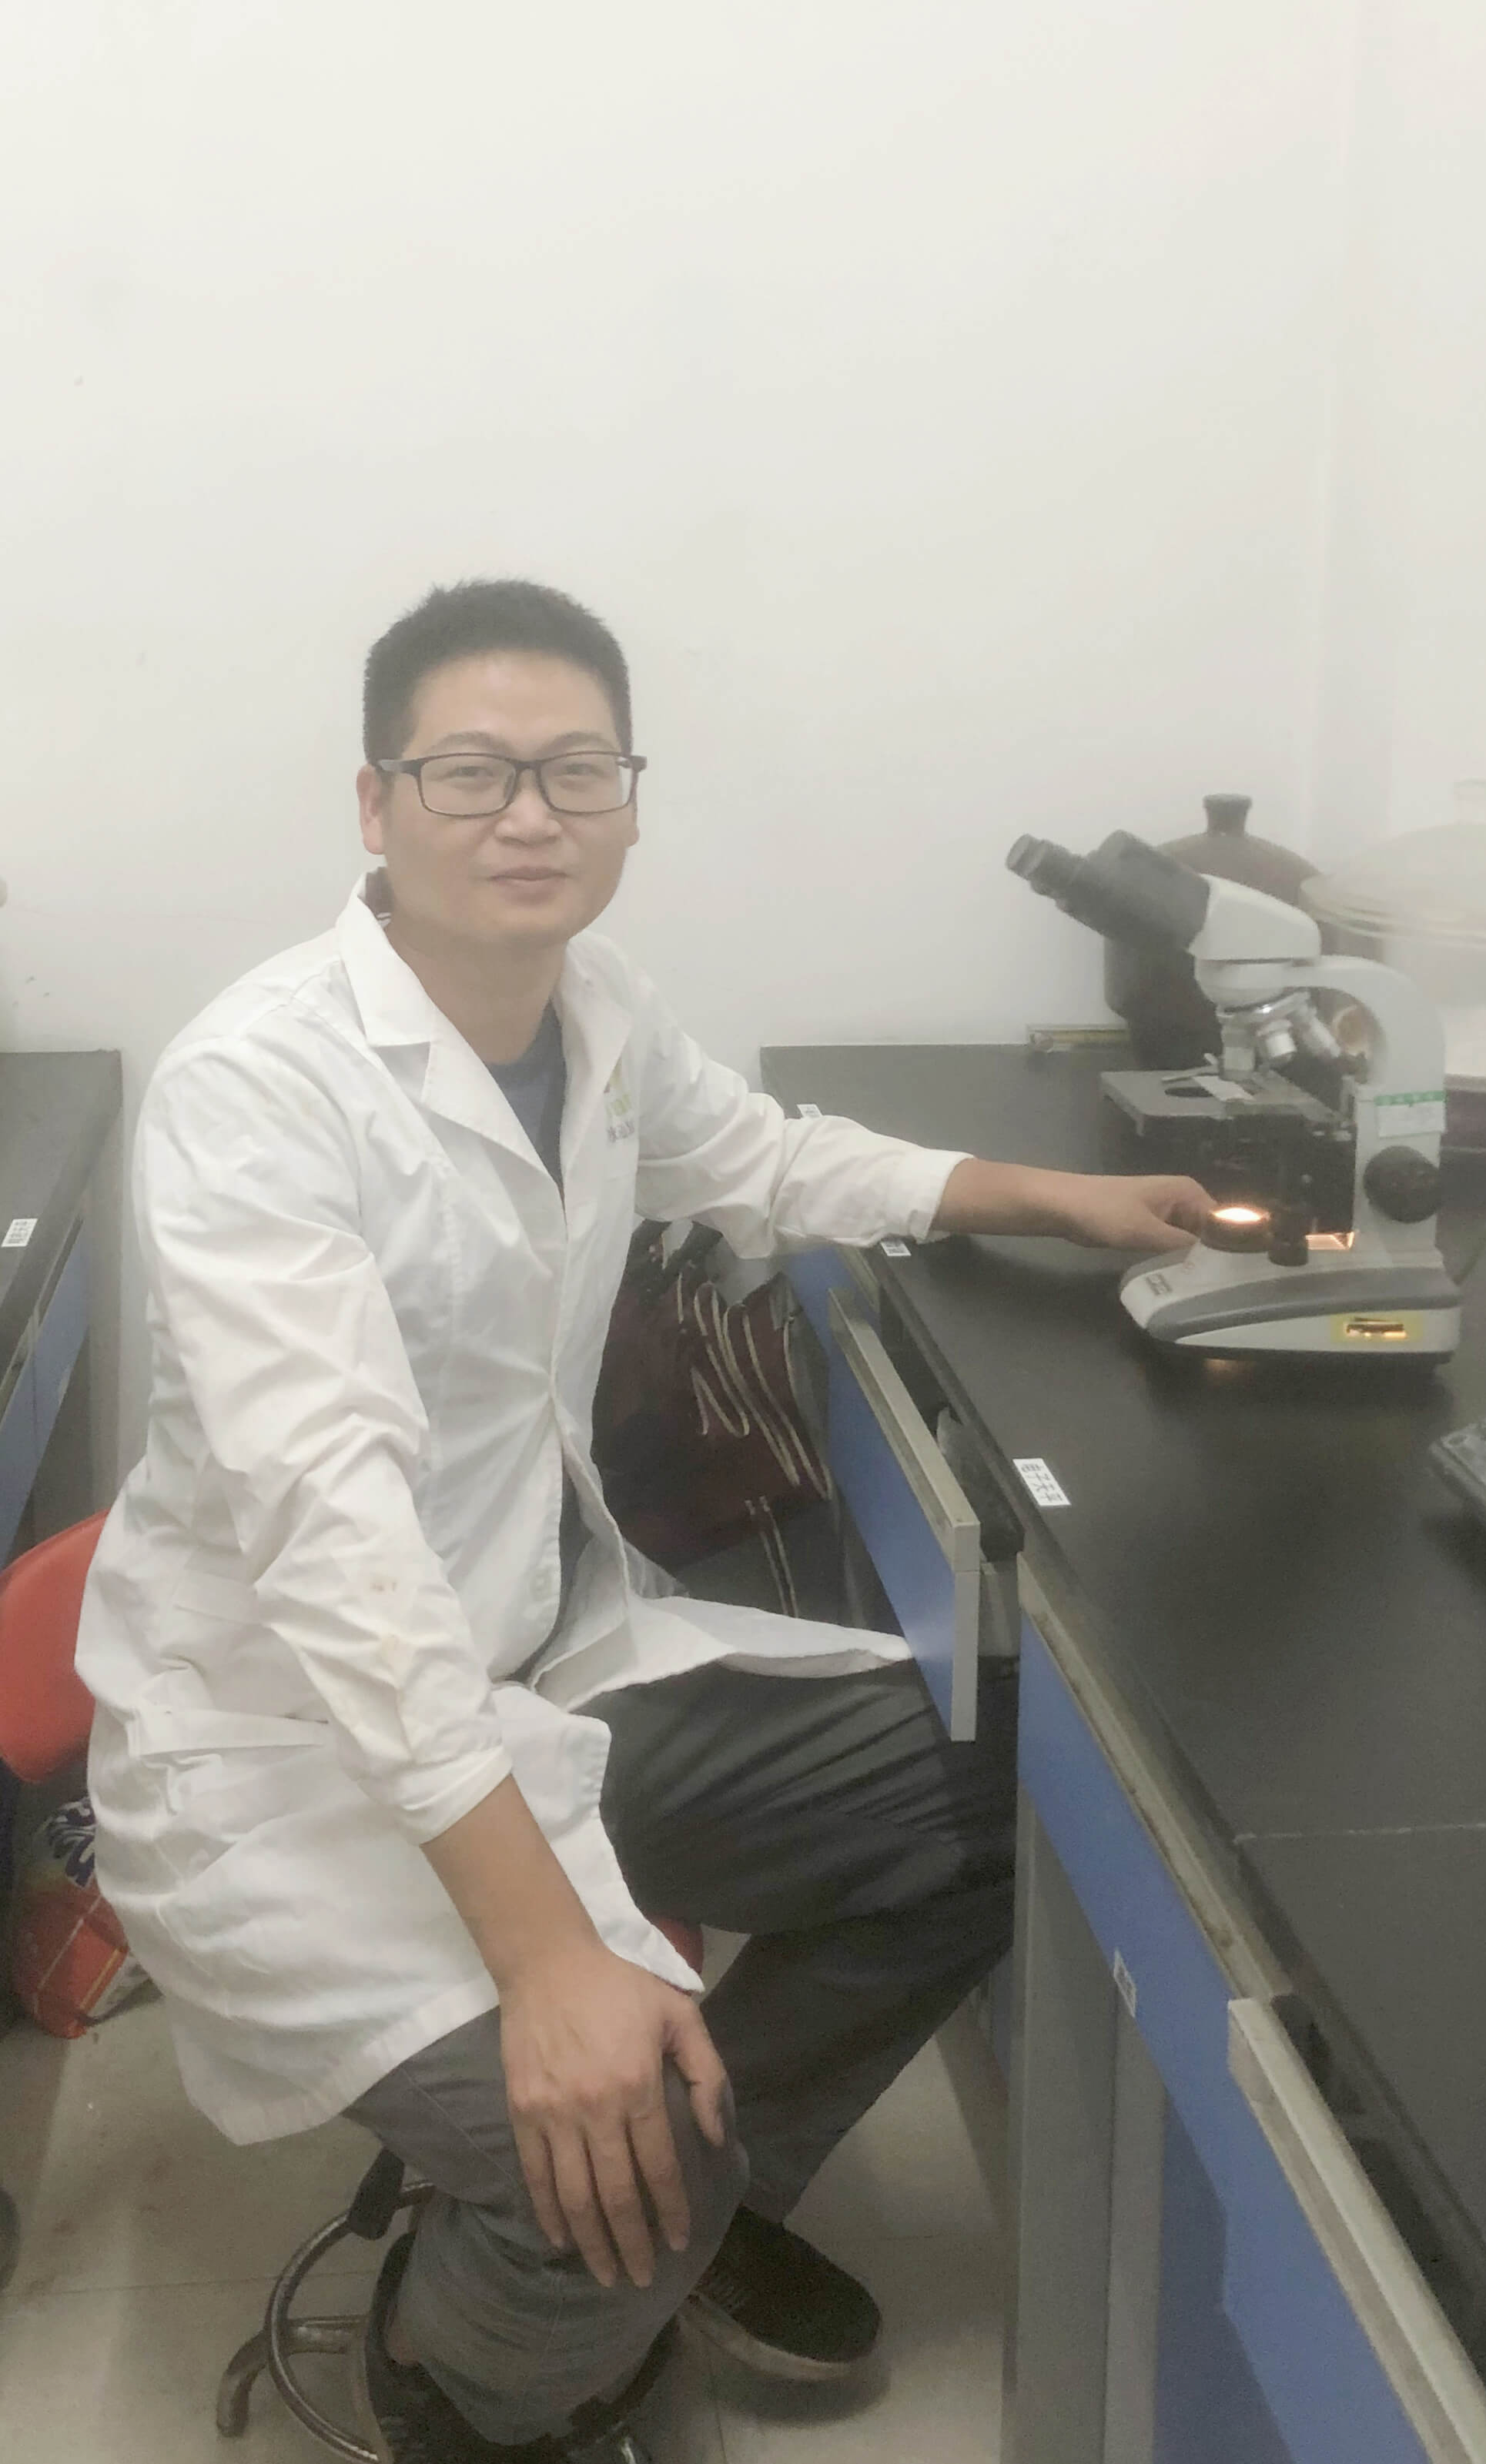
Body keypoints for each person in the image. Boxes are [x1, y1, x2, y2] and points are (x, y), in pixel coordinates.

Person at [78, 579, 1219, 2462]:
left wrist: (1047, 1195)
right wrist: (548, 1962)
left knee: (1005, 1786)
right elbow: (339, 1554)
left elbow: (760, 1155)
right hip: (298, 1750)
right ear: (375, 802)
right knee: (623, 2146)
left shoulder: (595, 1010)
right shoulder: (259, 1089)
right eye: (472, 770)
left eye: (577, 769)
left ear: (628, 796)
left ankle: (671, 2200)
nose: (530, 812)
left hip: (541, 1659)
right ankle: (459, 2378)